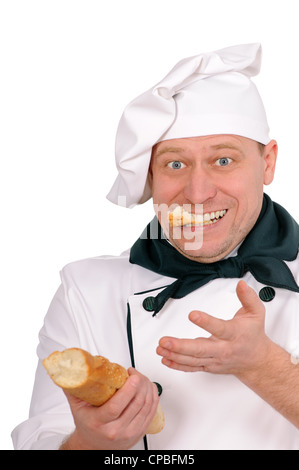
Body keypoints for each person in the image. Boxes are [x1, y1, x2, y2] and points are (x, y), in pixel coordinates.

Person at [12, 44, 299, 450]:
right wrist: (90, 443)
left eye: (223, 161)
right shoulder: (87, 293)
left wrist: (263, 366)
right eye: (176, 164)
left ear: (268, 163)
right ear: (151, 175)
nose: (197, 194)